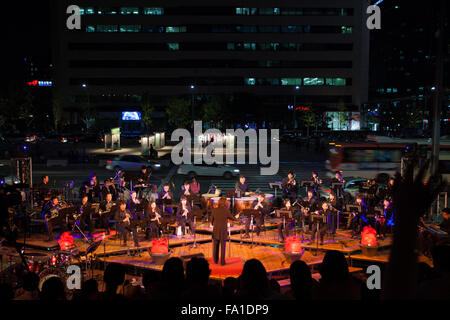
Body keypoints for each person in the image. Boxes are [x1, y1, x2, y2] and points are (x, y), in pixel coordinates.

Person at [211, 197, 237, 265]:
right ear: (225, 203)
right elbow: (233, 218)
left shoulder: (214, 210)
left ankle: (215, 261)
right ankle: (222, 262)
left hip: (216, 231)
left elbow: (211, 222)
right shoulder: (226, 211)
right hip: (223, 232)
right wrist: (236, 217)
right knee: (223, 247)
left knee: (215, 247)